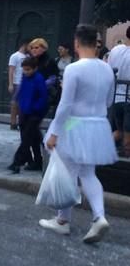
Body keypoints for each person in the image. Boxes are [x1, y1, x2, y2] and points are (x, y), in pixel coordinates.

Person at [40, 24, 118, 244]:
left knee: (67, 173)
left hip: (74, 124)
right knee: (88, 174)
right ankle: (99, 216)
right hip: (98, 124)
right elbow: (109, 101)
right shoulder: (106, 69)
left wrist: (54, 132)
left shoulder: (74, 69)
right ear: (96, 43)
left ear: (76, 43)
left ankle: (63, 221)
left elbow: (65, 105)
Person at [7, 57, 48, 174]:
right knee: (33, 138)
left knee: (26, 139)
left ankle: (17, 162)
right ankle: (36, 161)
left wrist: (35, 108)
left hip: (34, 113)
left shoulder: (39, 79)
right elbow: (23, 92)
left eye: (28, 69)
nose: (26, 72)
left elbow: (43, 97)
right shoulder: (25, 77)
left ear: (35, 68)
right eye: (24, 70)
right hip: (25, 111)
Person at [108, 26, 130, 157]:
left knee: (119, 130)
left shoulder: (116, 50)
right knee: (127, 134)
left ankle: (99, 148)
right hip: (128, 98)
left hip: (116, 97)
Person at [8, 39, 30, 130]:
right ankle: (13, 122)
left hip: (26, 82)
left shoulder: (28, 56)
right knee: (15, 103)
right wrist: (10, 83)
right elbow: (11, 70)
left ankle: (21, 121)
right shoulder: (15, 56)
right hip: (17, 82)